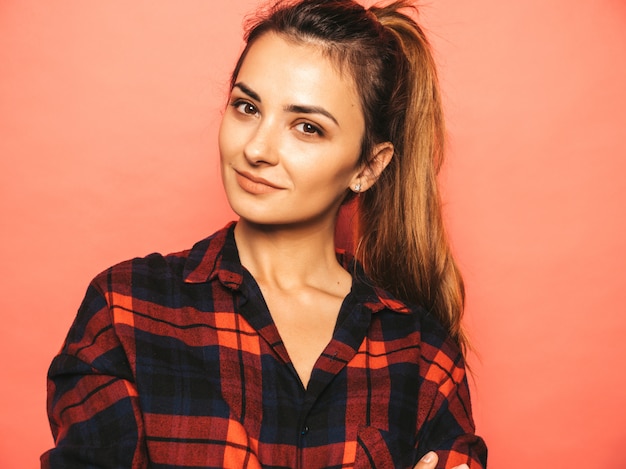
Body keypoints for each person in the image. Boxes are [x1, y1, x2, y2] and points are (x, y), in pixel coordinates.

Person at [42, 0, 487, 467]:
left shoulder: (420, 353)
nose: (256, 148)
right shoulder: (126, 310)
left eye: (307, 127)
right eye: (247, 107)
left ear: (368, 166)